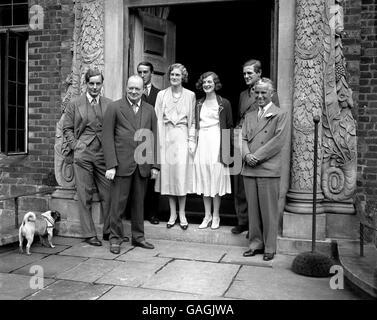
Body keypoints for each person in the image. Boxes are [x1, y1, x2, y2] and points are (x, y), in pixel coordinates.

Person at [103, 75, 159, 254]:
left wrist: (155, 165)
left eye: (137, 88)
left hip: (142, 164)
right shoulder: (114, 107)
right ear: (126, 88)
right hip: (121, 164)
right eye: (131, 88)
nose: (134, 91)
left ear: (143, 90)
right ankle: (115, 238)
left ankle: (138, 237)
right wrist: (111, 164)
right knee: (118, 205)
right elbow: (107, 137)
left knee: (138, 204)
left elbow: (154, 138)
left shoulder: (150, 110)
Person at [63, 68, 112, 246]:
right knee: (85, 195)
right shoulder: (75, 104)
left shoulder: (109, 104)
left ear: (102, 84)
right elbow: (67, 128)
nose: (94, 87)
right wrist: (75, 146)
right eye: (91, 83)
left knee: (109, 194)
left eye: (98, 83)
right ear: (86, 83)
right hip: (82, 154)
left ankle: (109, 231)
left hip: (103, 155)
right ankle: (89, 234)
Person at [241, 78, 288, 261]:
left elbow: (278, 142)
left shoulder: (280, 114)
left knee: (269, 211)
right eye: (257, 92)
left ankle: (270, 247)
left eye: (263, 93)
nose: (260, 96)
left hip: (267, 168)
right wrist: (246, 155)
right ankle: (255, 244)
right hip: (249, 168)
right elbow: (243, 138)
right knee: (253, 211)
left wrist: (256, 157)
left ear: (271, 94)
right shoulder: (250, 115)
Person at [232, 59, 279, 235]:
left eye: (250, 73)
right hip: (240, 141)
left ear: (259, 73)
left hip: (258, 143)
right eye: (244, 73)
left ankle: (257, 226)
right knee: (239, 184)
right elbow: (240, 118)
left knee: (256, 186)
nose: (246, 76)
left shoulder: (269, 92)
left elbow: (274, 119)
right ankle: (242, 220)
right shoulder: (243, 95)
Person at [155, 63, 196, 230]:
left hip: (182, 137)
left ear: (183, 77)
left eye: (177, 75)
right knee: (169, 177)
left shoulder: (190, 95)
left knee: (181, 176)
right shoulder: (161, 95)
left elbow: (192, 120)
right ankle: (172, 214)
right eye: (172, 75)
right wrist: (158, 142)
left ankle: (182, 213)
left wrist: (191, 140)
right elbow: (157, 119)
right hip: (166, 138)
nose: (174, 78)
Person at [193, 72, 233, 230]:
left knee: (216, 180)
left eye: (209, 82)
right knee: (204, 179)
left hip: (217, 141)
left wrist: (226, 150)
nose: (206, 84)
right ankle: (207, 215)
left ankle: (216, 215)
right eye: (204, 82)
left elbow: (229, 126)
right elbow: (195, 126)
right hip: (203, 142)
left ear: (215, 83)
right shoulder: (198, 103)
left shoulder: (224, 103)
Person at [137, 61, 161, 225]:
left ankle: (152, 213)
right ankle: (136, 213)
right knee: (138, 178)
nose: (142, 75)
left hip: (152, 139)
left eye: (145, 72)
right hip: (136, 139)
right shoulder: (133, 92)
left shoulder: (160, 94)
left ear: (151, 73)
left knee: (153, 177)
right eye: (139, 72)